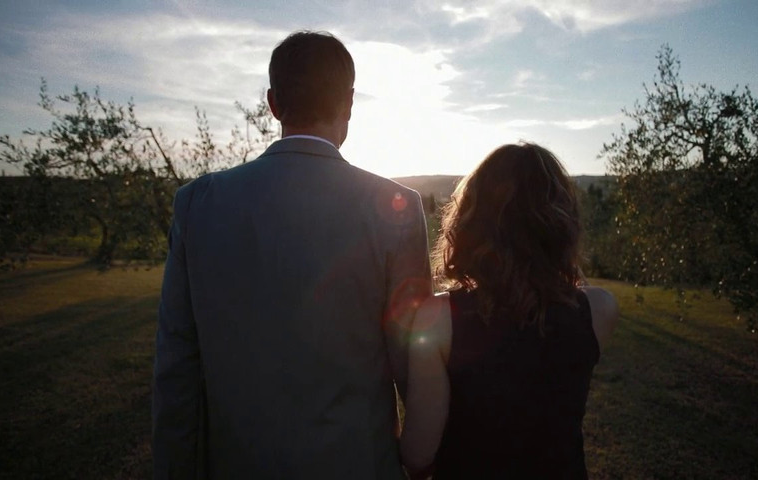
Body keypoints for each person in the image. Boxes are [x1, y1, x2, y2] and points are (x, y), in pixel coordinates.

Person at [152, 30, 432, 479]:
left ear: (273, 104)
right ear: (350, 102)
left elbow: (177, 366)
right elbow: (413, 365)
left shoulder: (198, 203)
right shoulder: (396, 208)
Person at [400, 143, 619, 479]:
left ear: (471, 220)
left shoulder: (438, 319)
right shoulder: (599, 309)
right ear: (562, 223)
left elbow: (418, 456)